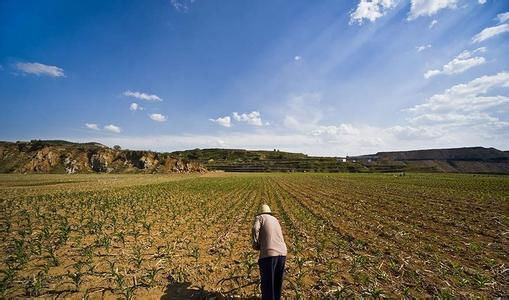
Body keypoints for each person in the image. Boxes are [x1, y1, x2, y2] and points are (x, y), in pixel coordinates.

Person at [252, 204, 287, 300]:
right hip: (282, 253)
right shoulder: (275, 220)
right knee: (277, 283)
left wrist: (255, 243)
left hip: (269, 254)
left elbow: (255, 229)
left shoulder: (260, 217)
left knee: (267, 283)